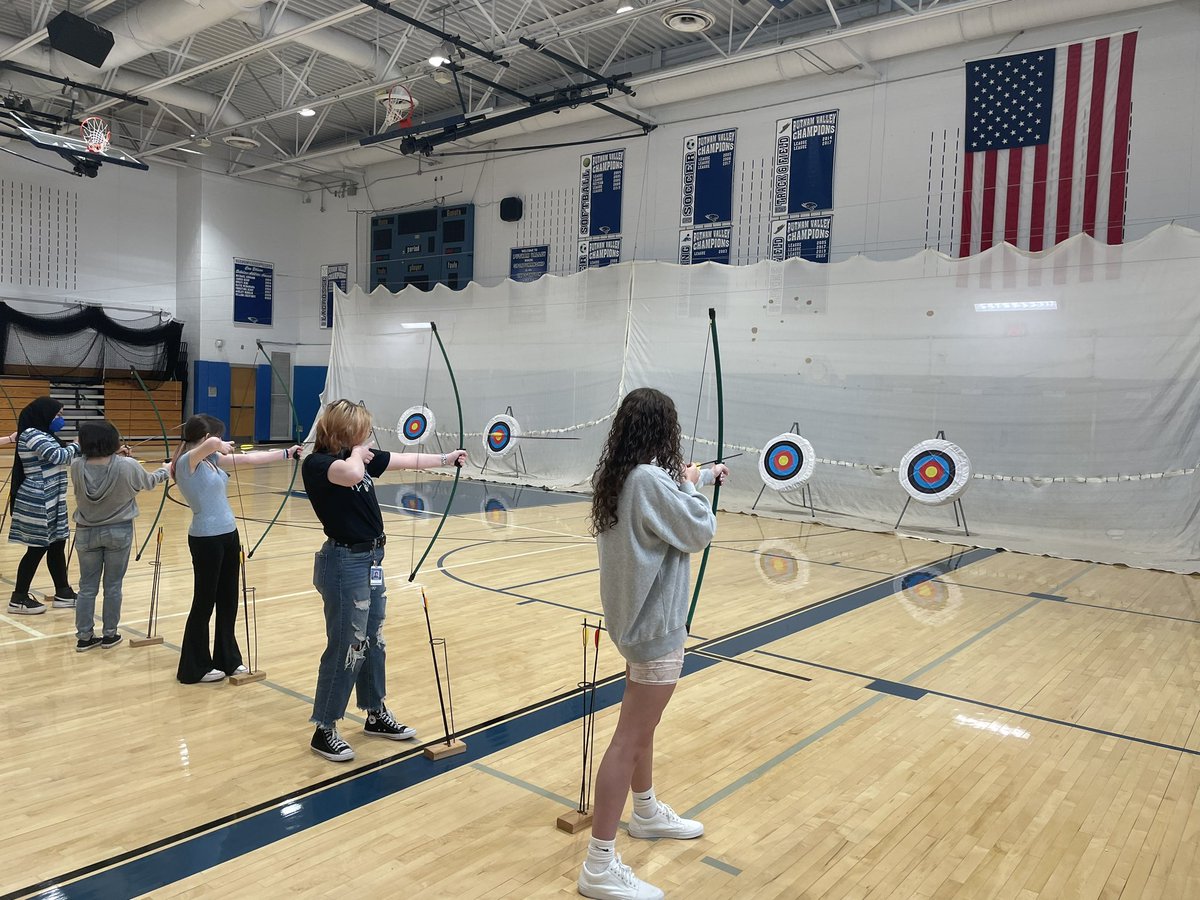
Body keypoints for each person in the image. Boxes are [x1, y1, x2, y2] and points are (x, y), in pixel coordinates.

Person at [577, 387, 730, 900]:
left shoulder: (622, 476)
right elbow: (699, 527)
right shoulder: (648, 480)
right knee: (630, 738)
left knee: (643, 729)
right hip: (654, 630)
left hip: (633, 626)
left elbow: (671, 489)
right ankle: (598, 864)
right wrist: (694, 487)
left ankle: (644, 812)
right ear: (663, 430)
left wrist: (695, 476)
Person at [302, 399, 467, 762]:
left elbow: (403, 459)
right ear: (346, 431)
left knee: (372, 639)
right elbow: (351, 475)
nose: (368, 436)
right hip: (344, 563)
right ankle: (325, 727)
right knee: (347, 644)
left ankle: (375, 712)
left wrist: (444, 459)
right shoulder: (319, 464)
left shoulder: (356, 456)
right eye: (362, 430)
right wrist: (360, 455)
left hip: (371, 560)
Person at [172, 414, 302, 684]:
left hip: (229, 536)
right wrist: (216, 443)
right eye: (216, 436)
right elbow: (211, 445)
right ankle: (194, 668)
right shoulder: (188, 462)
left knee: (229, 600)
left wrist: (286, 453)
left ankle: (227, 659)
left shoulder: (211, 460)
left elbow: (249, 459)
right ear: (207, 438)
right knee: (204, 603)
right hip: (206, 539)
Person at [70, 420, 170, 652]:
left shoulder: (76, 465)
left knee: (87, 587)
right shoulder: (127, 465)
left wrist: (116, 455)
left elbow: (93, 461)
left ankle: (84, 637)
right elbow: (149, 482)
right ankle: (109, 634)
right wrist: (167, 468)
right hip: (118, 531)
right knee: (113, 586)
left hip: (85, 532)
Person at [7, 397, 80, 615]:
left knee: (57, 544)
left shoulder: (46, 435)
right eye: (57, 415)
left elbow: (66, 454)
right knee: (38, 547)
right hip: (38, 498)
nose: (60, 419)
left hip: (53, 496)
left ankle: (63, 592)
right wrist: (79, 444)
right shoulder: (31, 434)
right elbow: (58, 456)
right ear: (44, 414)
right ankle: (18, 597)